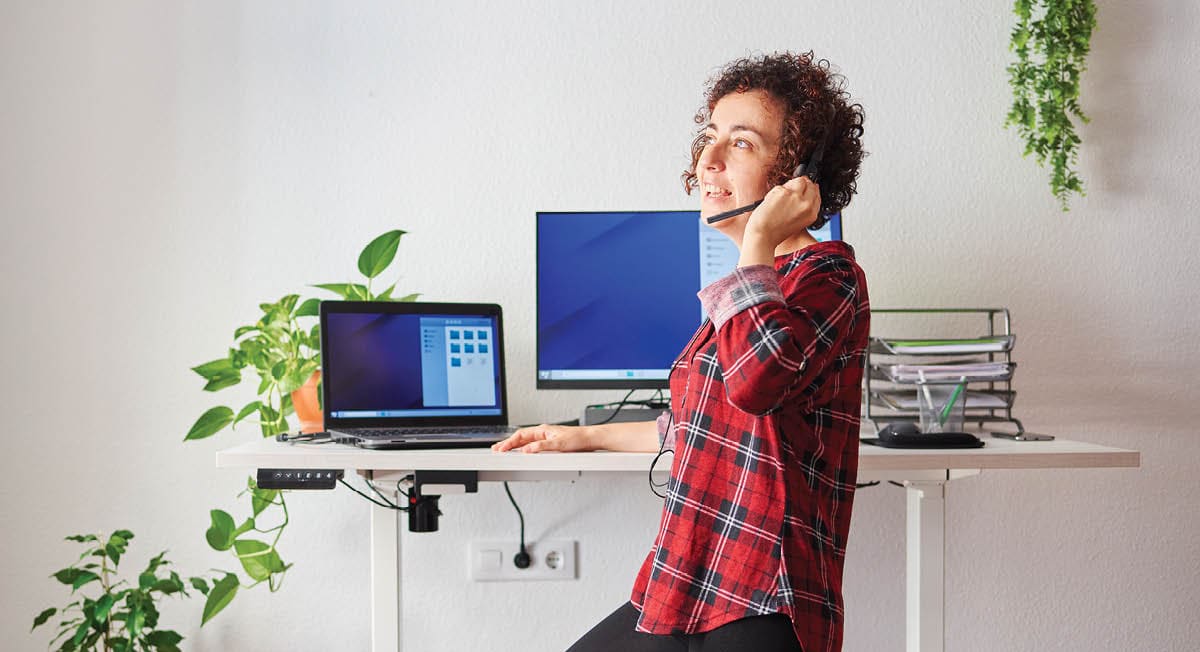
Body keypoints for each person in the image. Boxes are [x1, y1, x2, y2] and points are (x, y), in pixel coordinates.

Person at [493, 51, 870, 652]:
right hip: (689, 579)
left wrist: (759, 241)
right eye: (709, 135)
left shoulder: (828, 279)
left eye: (741, 143)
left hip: (764, 592)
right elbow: (707, 422)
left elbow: (757, 382)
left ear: (797, 174)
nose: (709, 160)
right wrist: (583, 436)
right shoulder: (760, 286)